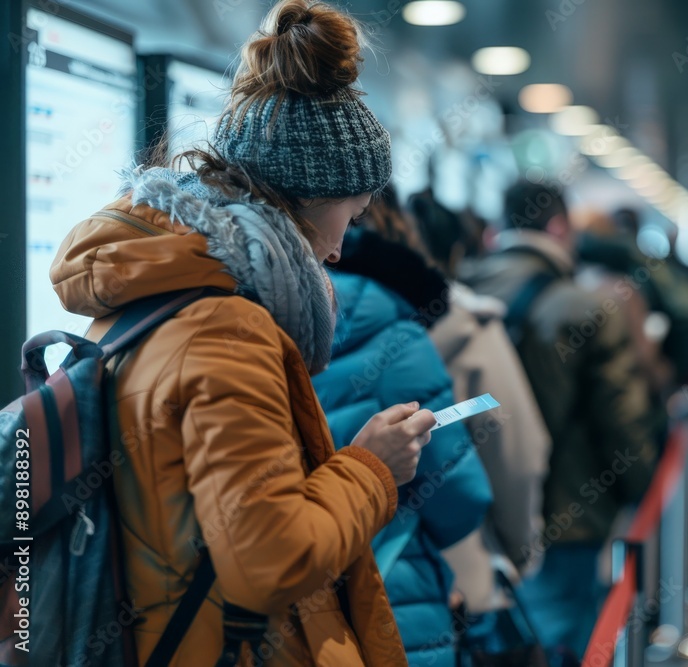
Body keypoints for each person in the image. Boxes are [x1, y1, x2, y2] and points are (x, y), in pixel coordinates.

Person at [49, 1, 429, 664]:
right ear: (308, 197)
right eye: (353, 213)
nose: (340, 249)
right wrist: (372, 466)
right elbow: (272, 560)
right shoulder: (228, 330)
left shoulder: (153, 294)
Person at [461, 181, 660, 660]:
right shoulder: (589, 309)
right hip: (567, 515)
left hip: (470, 516)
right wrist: (641, 490)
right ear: (558, 227)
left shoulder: (457, 295)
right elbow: (622, 420)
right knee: (564, 642)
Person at [312, 189, 492, 665]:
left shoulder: (264, 321)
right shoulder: (400, 336)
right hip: (393, 582)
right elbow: (460, 490)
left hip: (297, 596)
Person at [408, 191, 552, 658]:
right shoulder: (471, 329)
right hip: (463, 580)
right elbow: (518, 453)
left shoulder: (319, 321)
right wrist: (520, 551)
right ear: (457, 254)